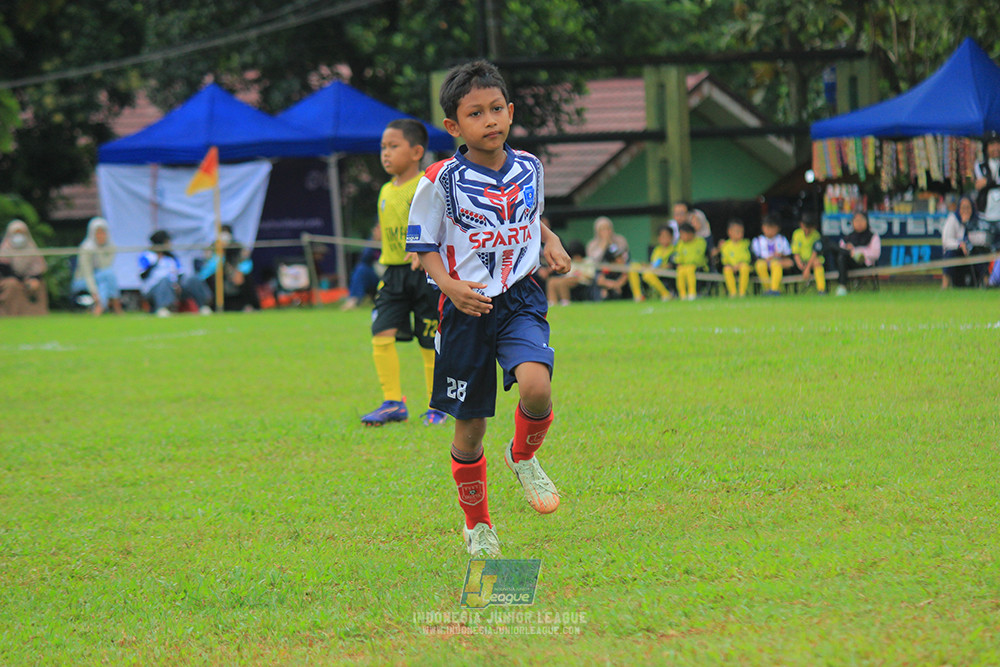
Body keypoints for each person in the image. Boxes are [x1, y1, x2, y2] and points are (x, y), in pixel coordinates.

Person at [406, 60, 572, 557]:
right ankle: (477, 524)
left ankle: (522, 457)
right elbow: (424, 244)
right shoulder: (439, 181)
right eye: (476, 113)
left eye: (497, 109)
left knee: (537, 386)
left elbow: (528, 214)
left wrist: (550, 239)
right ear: (455, 127)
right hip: (466, 309)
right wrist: (449, 286)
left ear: (511, 111)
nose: (491, 120)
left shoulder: (530, 167)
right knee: (470, 427)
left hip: (520, 295)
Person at [359, 118, 445, 427]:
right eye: (383, 147)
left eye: (393, 146)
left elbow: (442, 224)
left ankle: (437, 405)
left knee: (428, 339)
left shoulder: (426, 186)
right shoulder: (384, 190)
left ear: (416, 151)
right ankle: (392, 402)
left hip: (424, 274)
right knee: (381, 331)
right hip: (393, 275)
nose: (385, 153)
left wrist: (425, 249)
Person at [138, 229, 212, 316]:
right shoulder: (146, 256)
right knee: (165, 281)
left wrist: (177, 285)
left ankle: (203, 306)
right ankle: (163, 308)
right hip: (155, 288)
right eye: (167, 242)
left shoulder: (171, 257)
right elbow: (143, 275)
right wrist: (156, 262)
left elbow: (180, 273)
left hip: (174, 286)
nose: (170, 244)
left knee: (192, 279)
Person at [197, 224, 259, 311]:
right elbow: (207, 268)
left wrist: (239, 271)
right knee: (211, 280)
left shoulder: (237, 247)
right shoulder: (213, 247)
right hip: (217, 276)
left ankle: (250, 306)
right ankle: (211, 307)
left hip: (235, 276)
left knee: (246, 279)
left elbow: (246, 264)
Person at [71, 216, 122, 315]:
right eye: (98, 233)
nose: (101, 236)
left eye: (103, 232)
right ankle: (116, 304)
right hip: (82, 281)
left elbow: (105, 266)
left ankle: (99, 307)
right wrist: (94, 292)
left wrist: (101, 250)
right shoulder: (86, 248)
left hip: (101, 278)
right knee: (108, 276)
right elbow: (87, 274)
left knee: (105, 280)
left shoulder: (111, 247)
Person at [0, 219, 48, 316]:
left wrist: (33, 279)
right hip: (9, 279)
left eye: (21, 233)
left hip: (27, 279)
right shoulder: (4, 250)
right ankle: (10, 313)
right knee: (12, 284)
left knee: (39, 285)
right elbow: (5, 271)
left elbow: (38, 270)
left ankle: (37, 314)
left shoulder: (32, 248)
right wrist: (22, 280)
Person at [833, 210, 882, 296]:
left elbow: (876, 254)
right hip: (849, 264)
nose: (859, 223)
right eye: (856, 221)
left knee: (849, 254)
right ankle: (842, 286)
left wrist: (857, 251)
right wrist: (849, 250)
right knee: (841, 255)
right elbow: (841, 247)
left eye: (862, 220)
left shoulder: (873, 236)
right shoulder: (848, 238)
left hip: (865, 264)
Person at [341, 223, 383, 311]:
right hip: (376, 274)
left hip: (392, 271)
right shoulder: (372, 241)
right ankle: (354, 299)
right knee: (361, 269)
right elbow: (364, 259)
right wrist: (374, 242)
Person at [627, 224, 674, 302]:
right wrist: (646, 265)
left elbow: (671, 264)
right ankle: (638, 296)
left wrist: (660, 267)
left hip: (665, 271)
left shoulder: (673, 249)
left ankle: (666, 294)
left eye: (666, 236)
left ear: (671, 237)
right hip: (654, 269)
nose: (664, 239)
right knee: (633, 267)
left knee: (647, 274)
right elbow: (654, 263)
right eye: (662, 237)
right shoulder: (657, 249)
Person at [752, 215, 792, 296]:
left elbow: (788, 255)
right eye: (768, 228)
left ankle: (774, 289)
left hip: (777, 262)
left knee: (776, 264)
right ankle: (767, 289)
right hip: (764, 262)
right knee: (760, 265)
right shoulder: (758, 240)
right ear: (763, 228)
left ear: (778, 228)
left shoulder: (782, 239)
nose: (770, 231)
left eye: (772, 228)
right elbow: (756, 257)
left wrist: (780, 255)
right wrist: (768, 259)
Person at [940, 195, 975, 289]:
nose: (966, 211)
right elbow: (946, 241)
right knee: (950, 254)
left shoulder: (975, 220)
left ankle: (985, 283)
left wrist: (967, 224)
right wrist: (960, 244)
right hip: (957, 251)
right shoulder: (953, 219)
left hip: (971, 252)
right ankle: (945, 285)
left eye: (968, 208)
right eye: (963, 208)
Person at [546, 239, 595, 305]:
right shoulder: (572, 262)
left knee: (563, 282)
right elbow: (568, 273)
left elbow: (590, 275)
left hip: (582, 280)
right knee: (552, 281)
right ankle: (552, 302)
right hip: (569, 278)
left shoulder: (588, 261)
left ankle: (565, 301)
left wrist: (579, 275)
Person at [789, 213, 827, 294]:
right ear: (801, 225)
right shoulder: (797, 234)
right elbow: (796, 253)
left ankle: (821, 289)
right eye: (805, 228)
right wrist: (801, 266)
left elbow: (815, 253)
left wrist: (807, 268)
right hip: (801, 262)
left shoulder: (816, 235)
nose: (807, 231)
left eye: (810, 228)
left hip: (812, 261)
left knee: (817, 263)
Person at [974, 132, 1000, 247]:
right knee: (987, 250)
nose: (995, 148)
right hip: (986, 216)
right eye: (992, 144)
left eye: (997, 144)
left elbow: (986, 182)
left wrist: (988, 182)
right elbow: (979, 184)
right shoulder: (980, 165)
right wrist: (993, 181)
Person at [673, 222, 708, 300]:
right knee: (680, 270)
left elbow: (699, 256)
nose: (681, 237)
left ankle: (692, 293)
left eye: (683, 234)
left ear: (690, 234)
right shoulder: (681, 243)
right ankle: (682, 295)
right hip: (684, 266)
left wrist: (690, 263)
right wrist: (679, 263)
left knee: (690, 269)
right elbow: (678, 256)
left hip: (698, 267)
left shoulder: (700, 241)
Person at [718, 218, 752, 297]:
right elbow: (724, 260)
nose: (740, 234)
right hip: (731, 266)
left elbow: (747, 258)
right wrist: (732, 265)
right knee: (727, 269)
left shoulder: (746, 244)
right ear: (729, 232)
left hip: (742, 265)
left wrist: (738, 265)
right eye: (737, 232)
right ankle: (732, 292)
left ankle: (742, 292)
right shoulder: (725, 246)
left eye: (741, 232)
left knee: (745, 268)